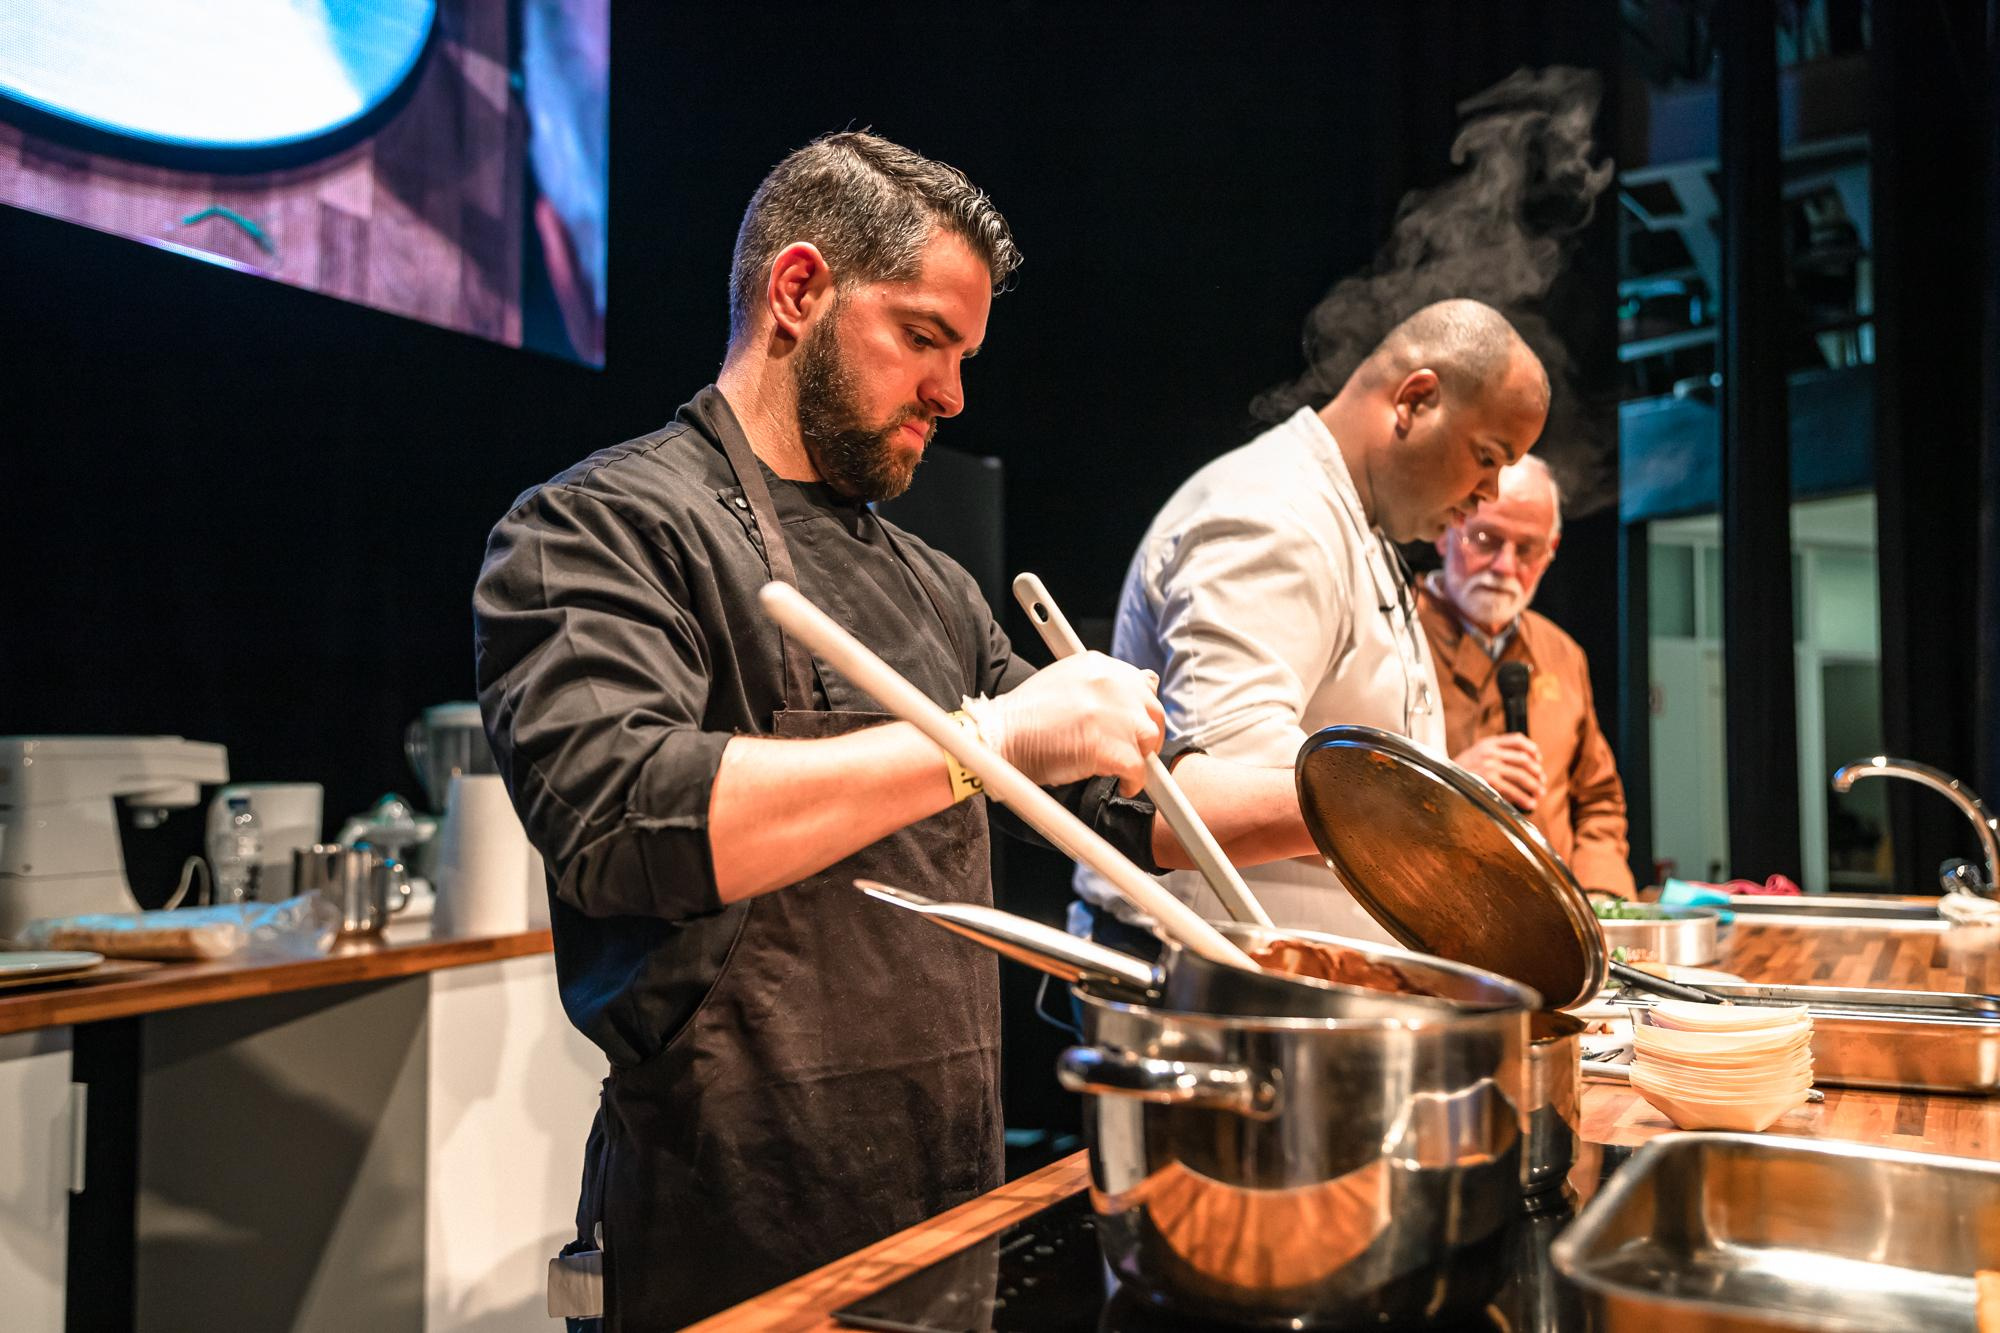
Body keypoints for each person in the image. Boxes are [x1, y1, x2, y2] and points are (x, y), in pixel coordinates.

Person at [473, 131, 1178, 1329]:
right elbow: (625, 819)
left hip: (948, 1200)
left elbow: (1131, 803)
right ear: (798, 290)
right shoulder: (596, 528)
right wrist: (990, 738)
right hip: (729, 1223)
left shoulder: (934, 585)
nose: (952, 394)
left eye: (963, 354)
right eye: (923, 339)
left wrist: (1369, 811)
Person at [1075, 299, 1552, 943]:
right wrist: (1451, 833)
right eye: (1489, 456)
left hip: (1288, 974)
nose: (1489, 493)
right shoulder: (1272, 515)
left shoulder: (1351, 514)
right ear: (1415, 401)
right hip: (1215, 978)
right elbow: (1234, 766)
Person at [1417, 455, 1637, 897]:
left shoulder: (1561, 652)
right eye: (1485, 539)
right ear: (1446, 531)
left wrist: (1600, 895)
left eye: (1527, 550)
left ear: (1551, 551)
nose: (1504, 567)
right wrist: (1449, 781)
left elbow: (1599, 801)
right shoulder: (1393, 629)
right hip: (1427, 908)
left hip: (1550, 917)